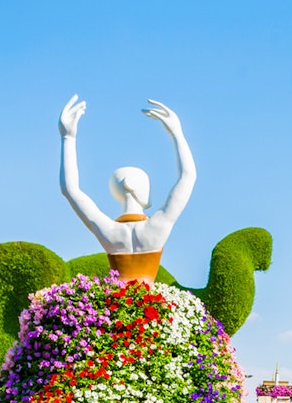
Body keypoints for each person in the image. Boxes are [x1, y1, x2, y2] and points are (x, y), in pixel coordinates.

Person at [58, 95, 196, 283]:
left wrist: (67, 138)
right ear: (130, 186)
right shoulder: (157, 225)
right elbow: (187, 177)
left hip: (114, 310)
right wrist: (177, 134)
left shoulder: (110, 231)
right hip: (153, 309)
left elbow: (70, 189)